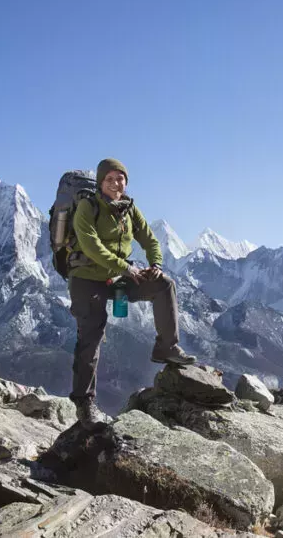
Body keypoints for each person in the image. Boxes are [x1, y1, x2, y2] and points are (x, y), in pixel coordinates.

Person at [67, 157, 196, 427]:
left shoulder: (129, 209)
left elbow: (149, 238)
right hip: (87, 280)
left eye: (120, 178)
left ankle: (166, 347)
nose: (116, 183)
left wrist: (156, 264)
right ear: (101, 183)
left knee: (164, 285)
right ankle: (84, 401)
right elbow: (91, 247)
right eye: (110, 179)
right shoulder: (87, 208)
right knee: (92, 333)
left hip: (118, 277)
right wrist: (125, 267)